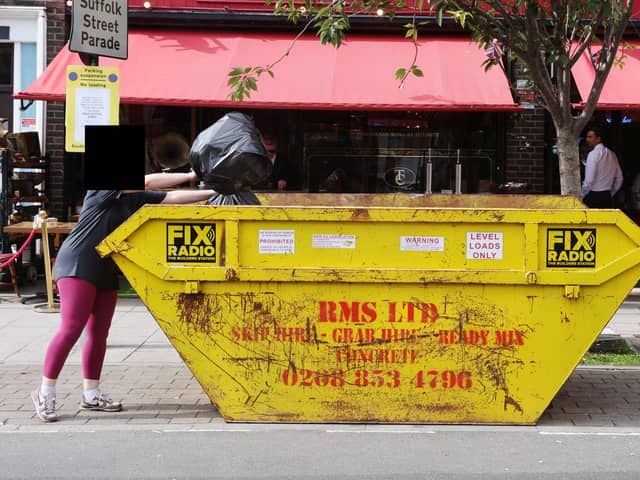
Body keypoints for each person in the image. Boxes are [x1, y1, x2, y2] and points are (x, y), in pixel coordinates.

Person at [31, 171, 216, 422]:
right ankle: (45, 392)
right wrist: (191, 174)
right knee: (71, 329)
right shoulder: (101, 187)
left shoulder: (135, 199)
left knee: (99, 334)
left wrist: (216, 191)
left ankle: (91, 394)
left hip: (105, 267)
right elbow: (149, 180)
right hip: (78, 263)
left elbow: (172, 197)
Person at [582, 127, 623, 208]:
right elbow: (620, 178)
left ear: (598, 139)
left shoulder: (593, 154)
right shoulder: (612, 154)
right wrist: (610, 193)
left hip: (593, 196)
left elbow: (589, 181)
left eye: (590, 137)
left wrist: (582, 195)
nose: (587, 139)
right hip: (607, 197)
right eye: (587, 137)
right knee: (605, 220)